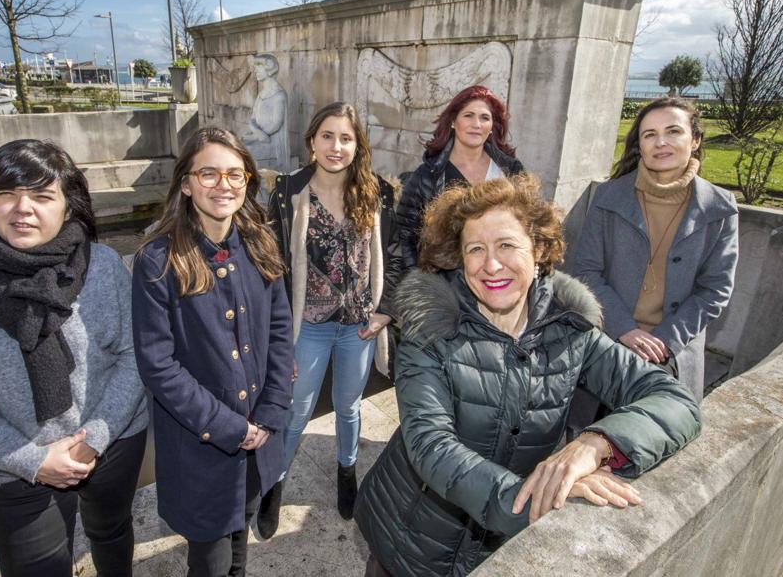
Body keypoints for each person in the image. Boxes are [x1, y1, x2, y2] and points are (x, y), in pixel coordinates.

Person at [354, 176, 702, 577]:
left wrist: (596, 443)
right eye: (475, 250)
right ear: (459, 259)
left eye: (506, 245)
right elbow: (432, 446)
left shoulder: (572, 328)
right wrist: (537, 496)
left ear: (538, 249)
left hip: (497, 547)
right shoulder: (429, 329)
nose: (491, 264)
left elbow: (674, 401)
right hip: (411, 537)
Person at [0, 139, 149, 577]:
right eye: (7, 194)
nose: (23, 209)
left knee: (111, 529)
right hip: (17, 459)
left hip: (111, 438)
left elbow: (135, 355)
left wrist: (95, 437)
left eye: (42, 196)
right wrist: (31, 459)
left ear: (68, 206)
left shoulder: (103, 266)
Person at [132, 127, 293, 576]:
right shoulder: (158, 259)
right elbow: (157, 364)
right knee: (211, 557)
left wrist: (270, 410)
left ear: (247, 182)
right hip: (202, 445)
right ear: (185, 183)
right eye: (208, 173)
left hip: (259, 433)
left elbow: (280, 329)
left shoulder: (261, 243)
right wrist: (229, 426)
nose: (223, 185)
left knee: (240, 537)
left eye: (234, 174)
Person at [256, 101, 402, 538]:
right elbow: (272, 267)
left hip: (358, 326)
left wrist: (384, 310)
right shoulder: (287, 192)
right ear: (312, 142)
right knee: (297, 409)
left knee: (348, 406)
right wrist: (280, 341)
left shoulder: (378, 192)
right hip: (310, 326)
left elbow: (396, 257)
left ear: (358, 145)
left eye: (346, 138)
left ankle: (346, 471)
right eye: (327, 136)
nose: (336, 146)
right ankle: (274, 485)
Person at [567, 97, 738, 401]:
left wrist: (664, 340)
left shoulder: (720, 208)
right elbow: (586, 270)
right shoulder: (608, 197)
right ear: (640, 145)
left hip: (673, 349)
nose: (661, 142)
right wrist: (624, 330)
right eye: (650, 134)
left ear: (695, 140)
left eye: (673, 131)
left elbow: (715, 289)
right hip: (607, 337)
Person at [397, 84, 524, 269]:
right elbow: (403, 238)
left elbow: (526, 228)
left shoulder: (511, 171)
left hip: (498, 276)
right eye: (468, 115)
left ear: (491, 127)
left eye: (484, 118)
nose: (476, 124)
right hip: (445, 283)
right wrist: (421, 286)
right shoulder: (427, 176)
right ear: (453, 122)